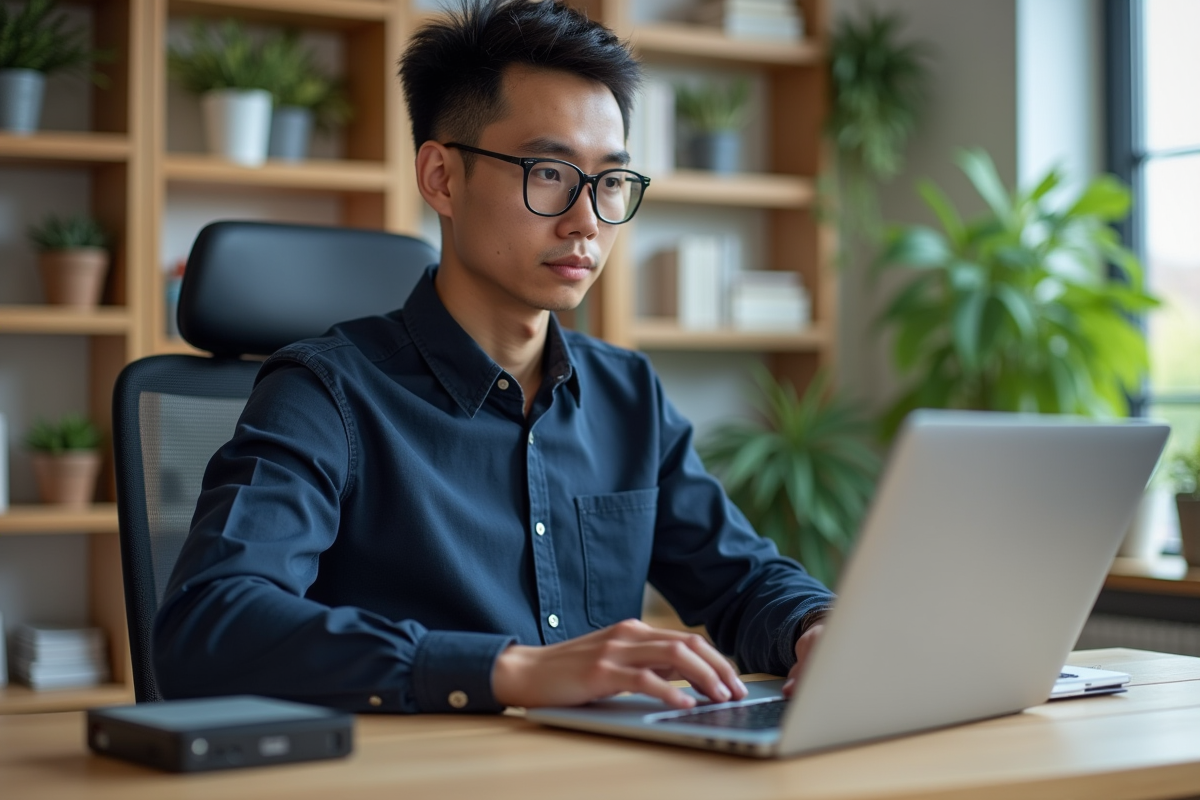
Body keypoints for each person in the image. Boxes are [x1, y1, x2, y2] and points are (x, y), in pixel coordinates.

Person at [154, 0, 832, 715]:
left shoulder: (626, 393)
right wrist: (506, 670)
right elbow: (208, 624)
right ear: (442, 177)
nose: (586, 222)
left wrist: (816, 627)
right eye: (548, 172)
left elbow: (743, 579)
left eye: (608, 182)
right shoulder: (325, 393)